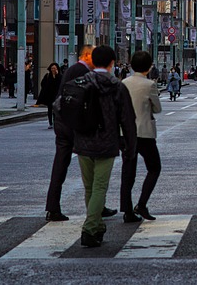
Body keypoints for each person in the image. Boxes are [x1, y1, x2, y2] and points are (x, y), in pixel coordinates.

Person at [73, 45, 137, 248]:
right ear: (111, 63)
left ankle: (98, 225)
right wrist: (130, 145)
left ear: (92, 61)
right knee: (100, 186)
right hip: (106, 142)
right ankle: (90, 228)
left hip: (82, 140)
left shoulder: (81, 81)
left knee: (89, 187)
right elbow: (127, 119)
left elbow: (61, 106)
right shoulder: (116, 86)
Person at [45, 45, 99, 222]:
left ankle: (53, 207)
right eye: (94, 56)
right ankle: (96, 205)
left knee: (61, 163)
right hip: (72, 123)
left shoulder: (74, 69)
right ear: (87, 55)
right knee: (91, 162)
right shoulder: (79, 70)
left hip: (62, 121)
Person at [121, 50, 162, 223]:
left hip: (125, 133)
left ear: (131, 65)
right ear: (149, 66)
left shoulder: (123, 82)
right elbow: (157, 108)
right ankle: (142, 204)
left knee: (128, 171)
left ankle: (127, 210)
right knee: (154, 168)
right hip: (144, 132)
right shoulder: (149, 85)